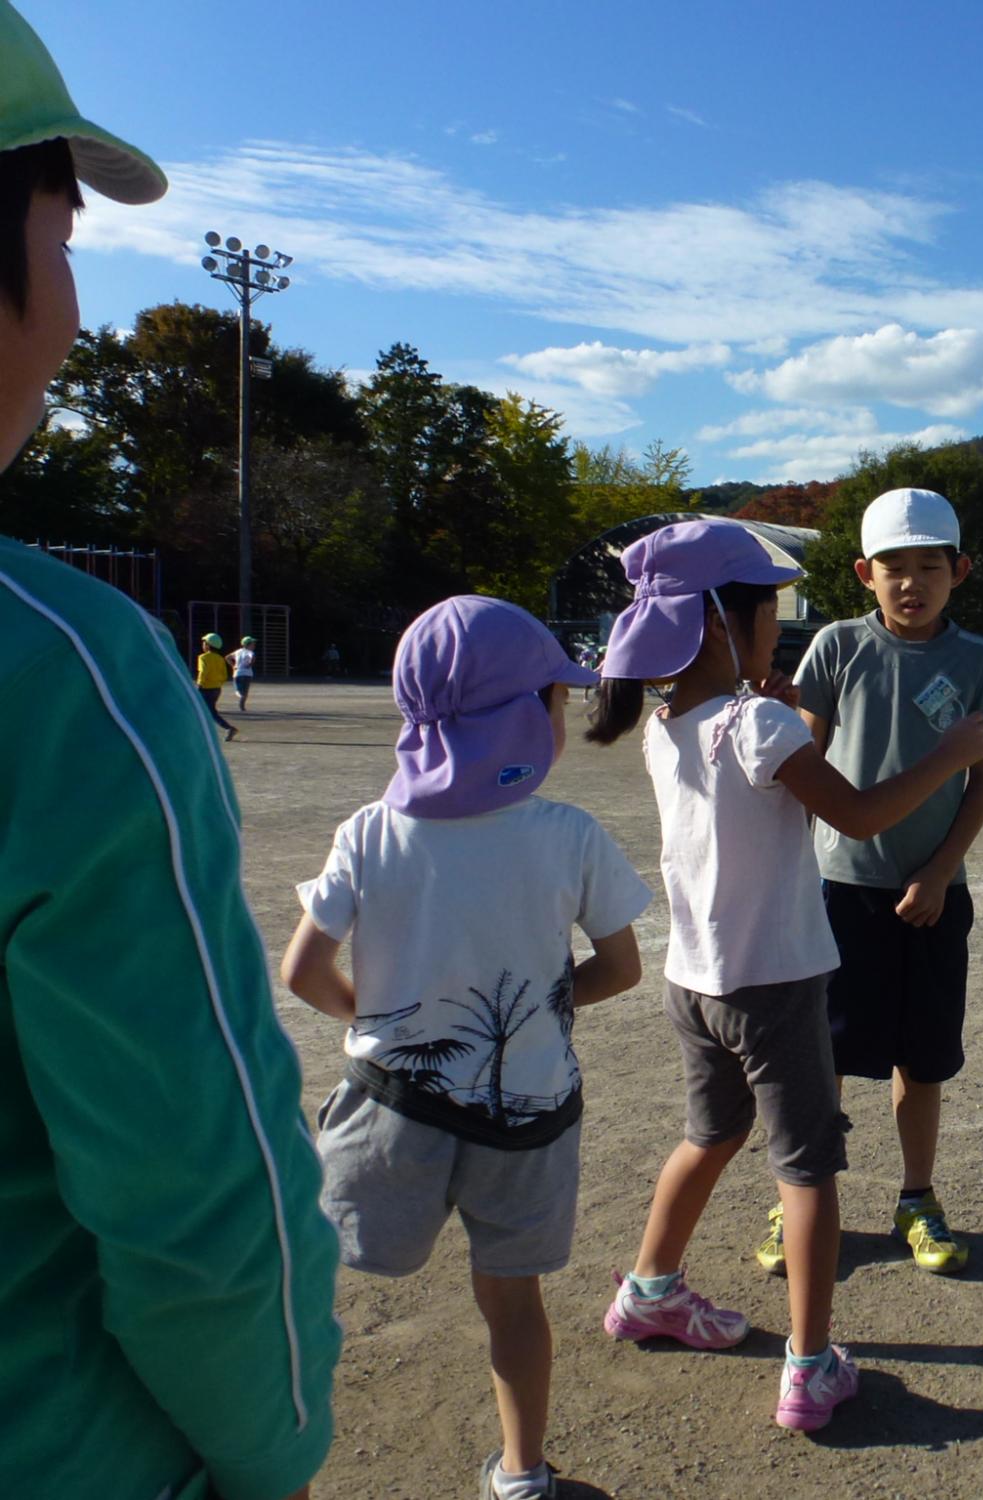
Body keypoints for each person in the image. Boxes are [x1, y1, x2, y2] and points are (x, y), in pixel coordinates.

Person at [0, 7, 342, 1496]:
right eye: (63, 233)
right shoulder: (57, 676)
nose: (71, 305)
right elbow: (203, 1204)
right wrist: (272, 1455)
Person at [584, 518, 983, 1432]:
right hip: (772, 985)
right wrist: (948, 757)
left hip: (694, 982)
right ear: (725, 622)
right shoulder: (759, 720)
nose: (783, 630)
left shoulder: (670, 719)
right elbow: (856, 815)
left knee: (710, 1134)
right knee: (807, 1172)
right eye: (770, 612)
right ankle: (810, 1368)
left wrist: (764, 704)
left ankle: (651, 1289)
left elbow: (751, 771)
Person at [281, 595, 651, 1500]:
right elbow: (621, 968)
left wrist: (375, 1022)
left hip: (389, 1105)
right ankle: (522, 1474)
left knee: (312, 1287)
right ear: (525, 721)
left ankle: (267, 1458)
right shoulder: (568, 836)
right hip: (526, 1112)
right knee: (512, 1301)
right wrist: (544, 1010)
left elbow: (300, 972)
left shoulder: (371, 831)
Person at [776, 488, 983, 1280]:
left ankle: (917, 1197)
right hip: (836, 890)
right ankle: (802, 1196)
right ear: (863, 573)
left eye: (929, 566)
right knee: (822, 1057)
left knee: (920, 1059)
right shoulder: (836, 648)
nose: (911, 582)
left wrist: (943, 869)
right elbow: (804, 767)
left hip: (931, 897)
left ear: (961, 570)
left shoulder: (977, 660)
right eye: (893, 567)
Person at [196, 630, 238, 740]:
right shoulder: (220, 659)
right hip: (216, 689)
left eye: (204, 642)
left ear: (208, 645)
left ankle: (228, 728)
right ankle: (204, 731)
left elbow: (203, 672)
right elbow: (224, 675)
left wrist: (199, 684)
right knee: (208, 710)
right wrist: (218, 683)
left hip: (205, 689)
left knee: (206, 711)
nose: (203, 645)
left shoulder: (203, 657)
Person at [230, 633, 257, 710]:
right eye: (252, 644)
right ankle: (242, 706)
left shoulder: (237, 651)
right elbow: (253, 656)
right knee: (245, 692)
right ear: (246, 645)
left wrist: (233, 666)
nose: (254, 646)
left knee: (238, 690)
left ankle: (241, 699)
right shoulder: (249, 651)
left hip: (238, 673)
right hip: (248, 674)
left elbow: (227, 657)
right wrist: (250, 664)